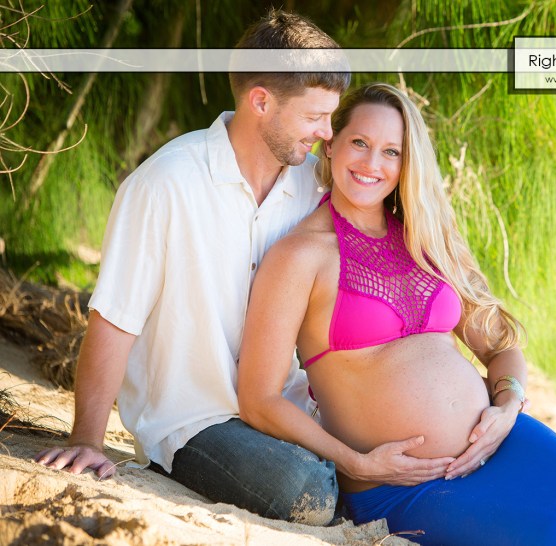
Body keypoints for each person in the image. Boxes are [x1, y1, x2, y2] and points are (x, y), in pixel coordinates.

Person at [34, 12, 452, 526]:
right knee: (306, 491)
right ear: (261, 101)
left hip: (284, 405)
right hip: (195, 419)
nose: (327, 133)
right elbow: (114, 319)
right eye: (314, 117)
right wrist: (87, 440)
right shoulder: (165, 184)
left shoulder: (311, 185)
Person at [237, 83, 556, 544]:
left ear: (407, 164)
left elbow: (500, 348)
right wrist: (357, 463)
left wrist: (508, 407)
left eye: (392, 151)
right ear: (331, 144)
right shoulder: (299, 256)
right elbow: (259, 399)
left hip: (504, 444)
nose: (372, 163)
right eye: (360, 142)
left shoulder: (427, 241)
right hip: (402, 485)